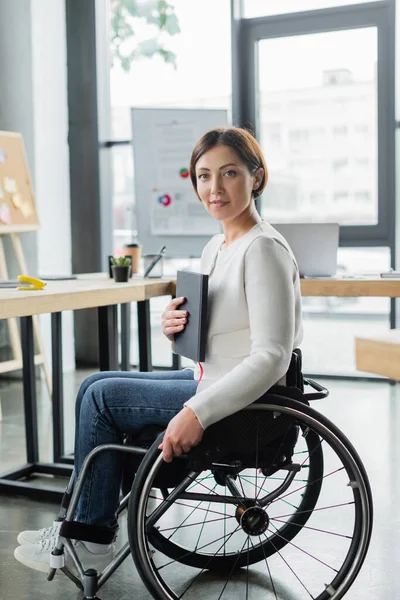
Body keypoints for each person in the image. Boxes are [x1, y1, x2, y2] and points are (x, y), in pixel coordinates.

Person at [14, 126, 303, 573]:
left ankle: (89, 538)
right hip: (212, 377)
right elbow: (221, 339)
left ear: (256, 177)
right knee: (94, 382)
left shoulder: (262, 248)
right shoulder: (219, 245)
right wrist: (178, 329)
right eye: (204, 176)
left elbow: (271, 356)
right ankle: (75, 523)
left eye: (229, 173)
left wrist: (197, 413)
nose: (215, 188)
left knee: (102, 398)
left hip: (249, 406)